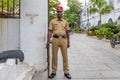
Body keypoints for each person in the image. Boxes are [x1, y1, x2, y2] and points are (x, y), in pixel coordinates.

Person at [46, 5, 72, 79]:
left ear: (62, 12)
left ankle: (66, 72)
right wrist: (48, 41)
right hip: (55, 40)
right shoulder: (53, 21)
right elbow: (50, 32)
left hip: (63, 40)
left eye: (60, 11)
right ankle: (53, 72)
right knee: (54, 56)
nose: (59, 13)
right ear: (56, 13)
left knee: (65, 56)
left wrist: (68, 42)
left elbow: (67, 32)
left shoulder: (65, 22)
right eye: (58, 12)